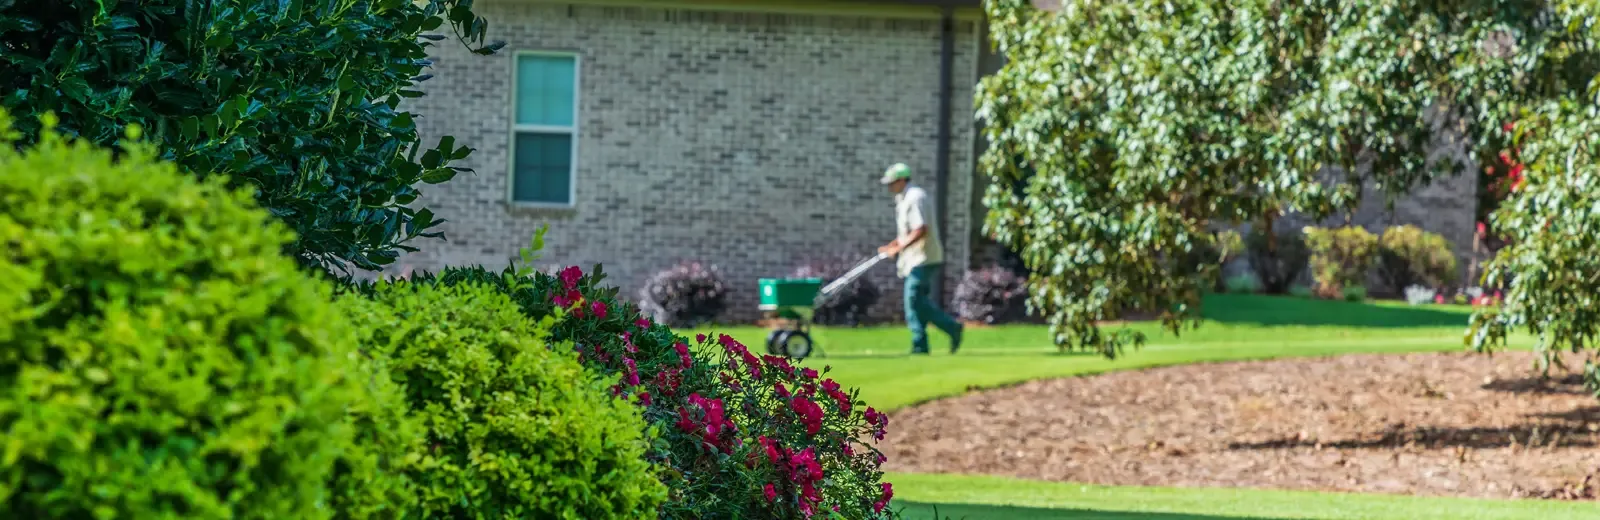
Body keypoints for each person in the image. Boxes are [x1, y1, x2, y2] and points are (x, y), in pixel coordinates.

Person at [876, 163, 963, 355]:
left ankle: (926, 341)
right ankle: (932, 339)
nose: (889, 187)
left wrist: (899, 248)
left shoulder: (916, 197)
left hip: (924, 258)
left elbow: (920, 229)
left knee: (912, 300)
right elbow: (907, 232)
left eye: (891, 183)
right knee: (919, 302)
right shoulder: (904, 198)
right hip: (914, 259)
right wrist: (893, 245)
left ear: (901, 180)